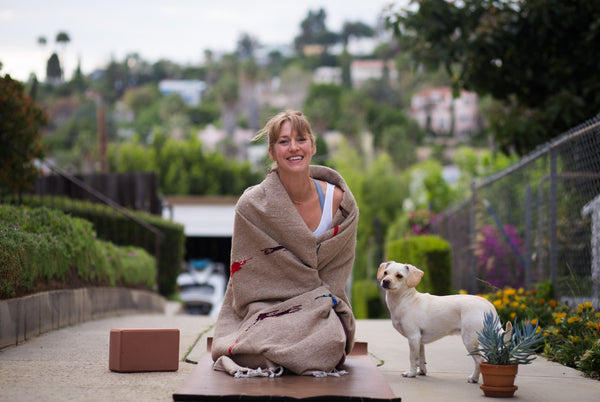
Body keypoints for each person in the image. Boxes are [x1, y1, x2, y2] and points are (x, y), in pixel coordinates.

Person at [211, 110, 359, 377]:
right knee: (261, 337)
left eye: (301, 139)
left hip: (321, 306)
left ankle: (278, 355)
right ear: (272, 152)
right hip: (267, 308)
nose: (293, 148)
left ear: (312, 145)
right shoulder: (252, 206)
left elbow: (336, 275)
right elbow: (248, 279)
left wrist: (313, 304)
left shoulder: (340, 204)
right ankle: (278, 352)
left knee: (329, 343)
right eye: (283, 141)